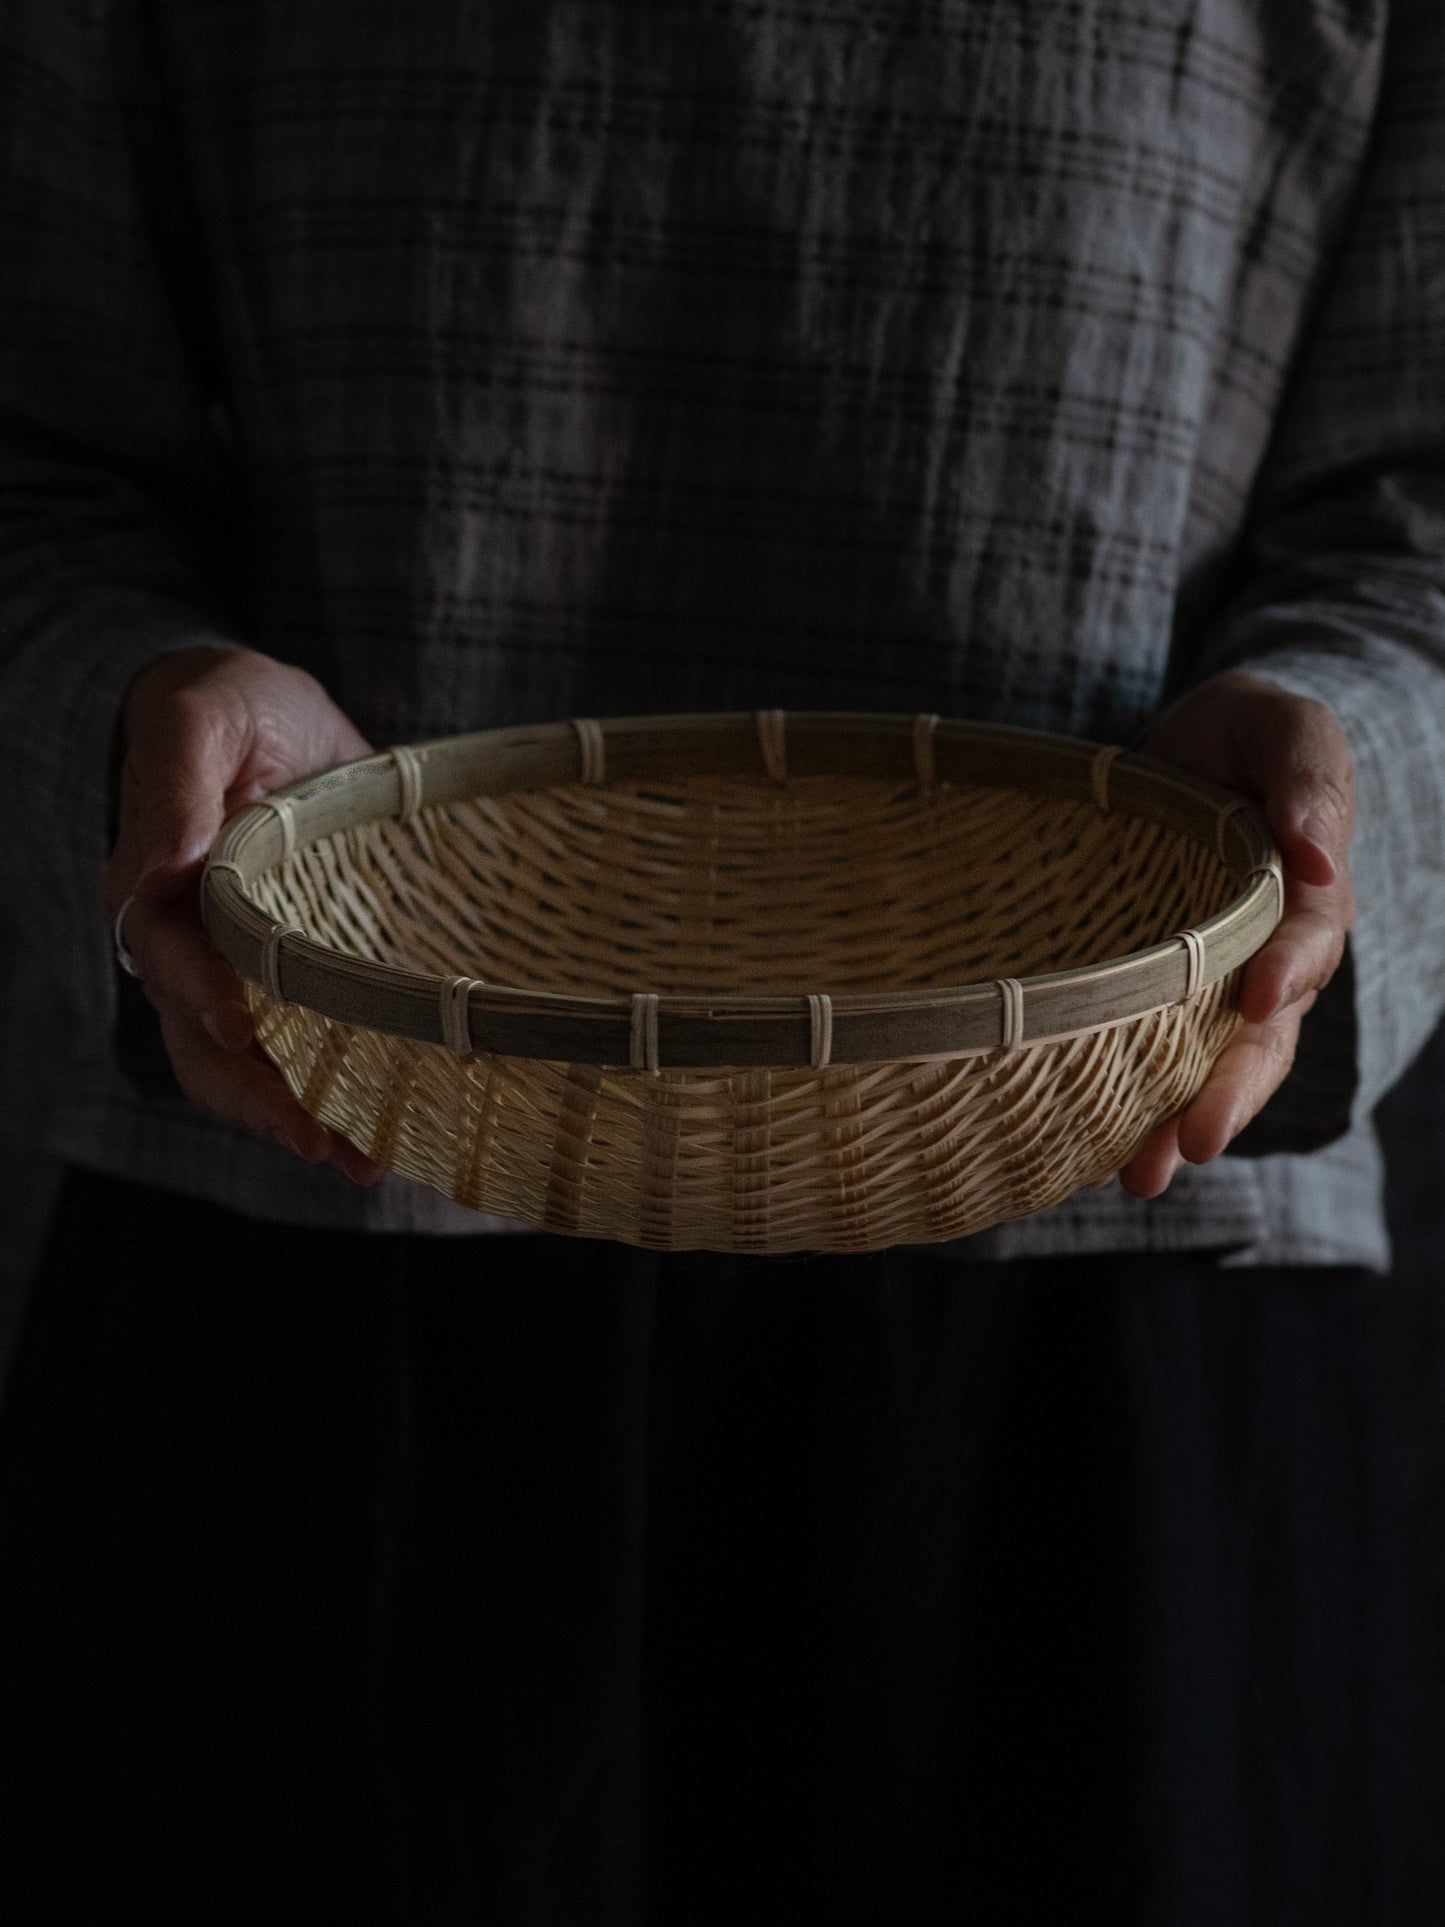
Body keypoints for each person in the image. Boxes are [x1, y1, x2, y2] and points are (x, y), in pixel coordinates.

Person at [0, 3, 1440, 1921]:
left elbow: (1417, 502)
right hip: (323, 1237)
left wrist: (1331, 776)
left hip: (1121, 1289)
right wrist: (139, 743)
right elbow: (31, 459)